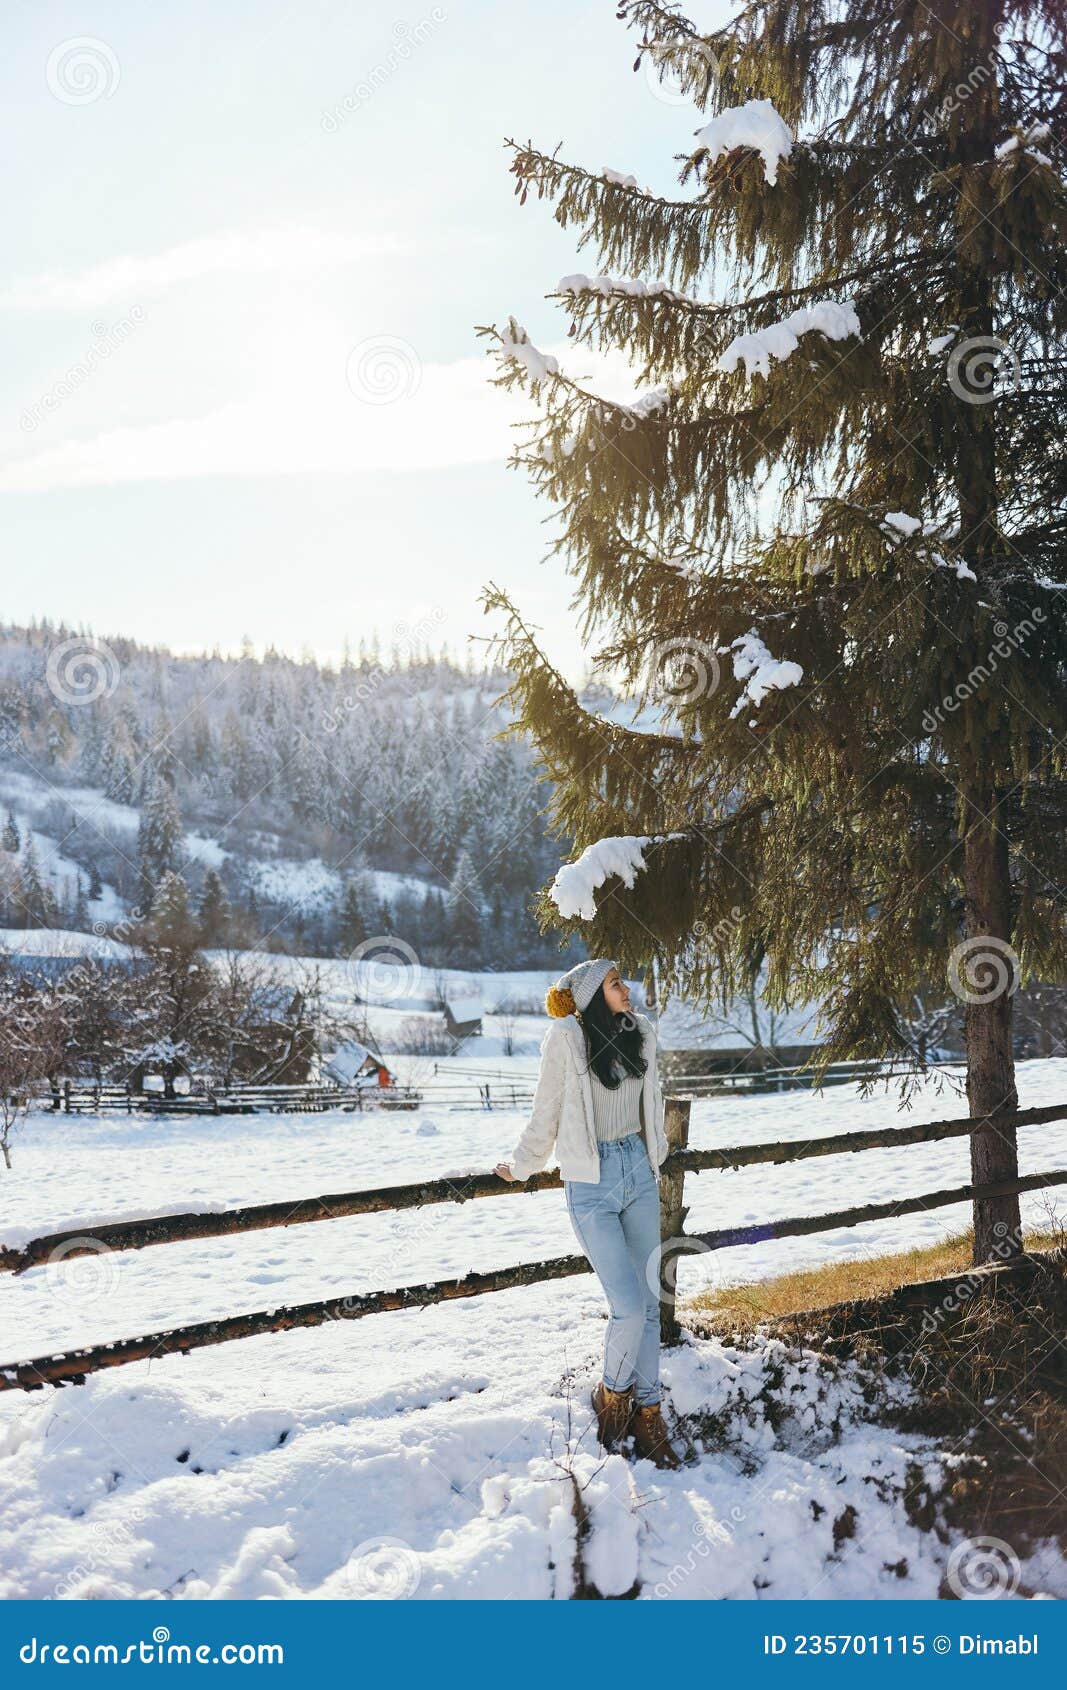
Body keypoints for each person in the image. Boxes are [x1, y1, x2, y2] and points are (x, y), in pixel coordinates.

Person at [495, 959, 681, 1470]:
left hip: (637, 1173)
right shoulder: (567, 1039)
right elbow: (547, 1109)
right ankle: (612, 1399)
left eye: (622, 981)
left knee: (647, 1304)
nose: (626, 989)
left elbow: (655, 1098)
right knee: (625, 1303)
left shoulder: (639, 1032)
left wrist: (656, 1155)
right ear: (590, 996)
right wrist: (523, 1164)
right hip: (591, 1181)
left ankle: (648, 1413)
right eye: (615, 984)